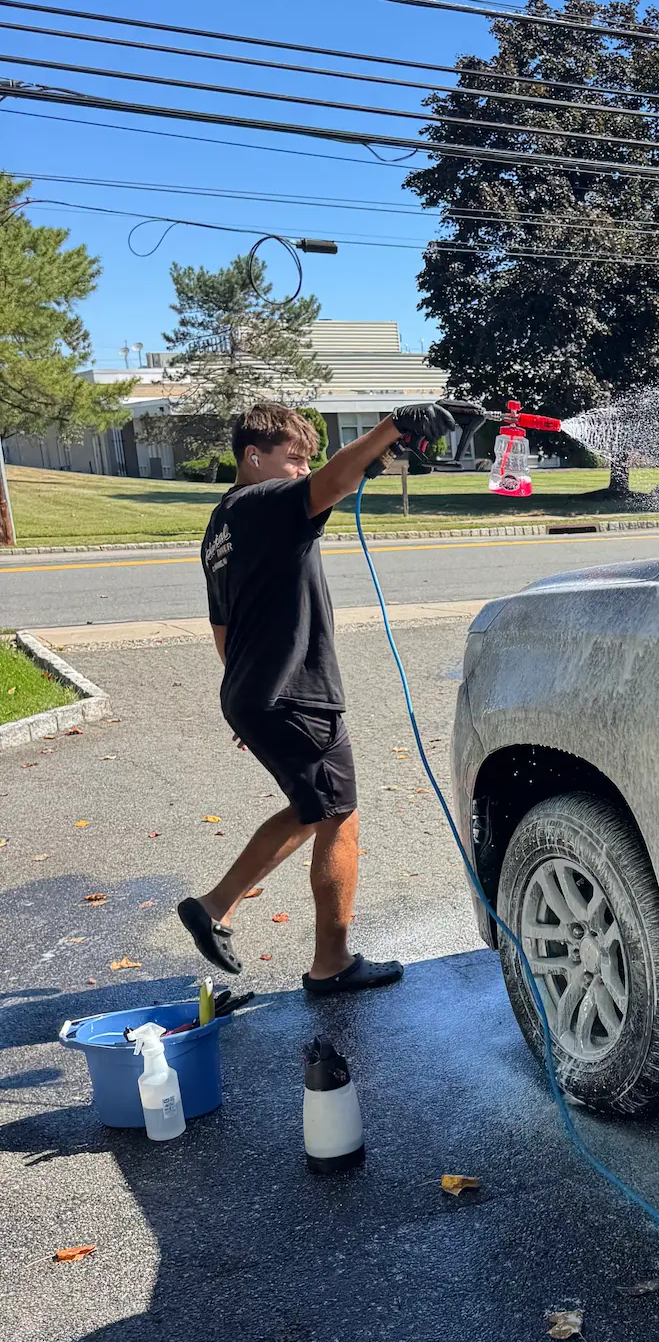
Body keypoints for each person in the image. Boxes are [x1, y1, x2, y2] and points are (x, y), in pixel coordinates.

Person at [176, 397, 472, 996]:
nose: (299, 469)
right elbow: (332, 480)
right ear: (252, 456)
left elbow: (222, 627)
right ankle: (329, 964)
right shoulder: (265, 502)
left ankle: (214, 906)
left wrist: (247, 691)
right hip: (295, 693)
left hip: (258, 690)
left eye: (304, 459)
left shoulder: (221, 526)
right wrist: (395, 425)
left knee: (316, 806)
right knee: (338, 815)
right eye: (292, 458)